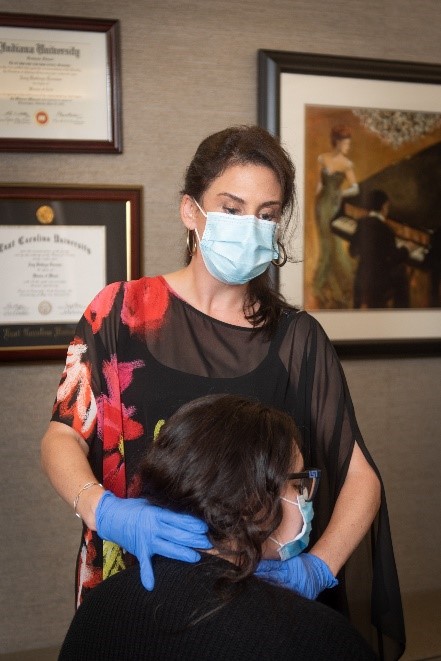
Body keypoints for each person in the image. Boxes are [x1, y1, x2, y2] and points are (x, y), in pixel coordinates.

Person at [41, 125, 405, 660]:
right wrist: (102, 509)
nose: (250, 227)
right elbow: (62, 436)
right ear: (192, 211)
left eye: (266, 213)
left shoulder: (296, 339)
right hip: (136, 586)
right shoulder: (119, 312)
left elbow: (359, 477)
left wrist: (316, 568)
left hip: (258, 598)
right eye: (231, 208)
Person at [58, 394, 378, 661]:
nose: (307, 498)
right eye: (298, 484)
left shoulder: (98, 608)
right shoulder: (321, 640)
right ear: (253, 503)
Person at [313, 124, 359, 308]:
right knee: (325, 243)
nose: (348, 147)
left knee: (334, 244)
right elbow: (318, 185)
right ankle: (324, 284)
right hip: (321, 205)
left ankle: (336, 284)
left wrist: (341, 194)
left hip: (334, 206)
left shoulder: (347, 164)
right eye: (346, 143)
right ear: (338, 142)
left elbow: (355, 188)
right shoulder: (323, 158)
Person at [350, 189, 410, 308]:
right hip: (379, 283)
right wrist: (406, 249)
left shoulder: (361, 223)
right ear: (384, 206)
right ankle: (401, 312)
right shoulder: (386, 230)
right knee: (402, 274)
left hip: (362, 276)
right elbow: (393, 259)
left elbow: (352, 251)